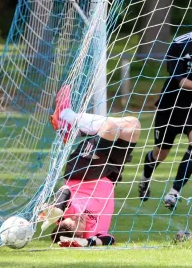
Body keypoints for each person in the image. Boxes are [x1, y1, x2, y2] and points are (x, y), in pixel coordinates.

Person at [138, 9, 192, 210]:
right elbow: (180, 80)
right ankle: (145, 177)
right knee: (161, 153)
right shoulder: (179, 44)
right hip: (170, 106)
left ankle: (174, 192)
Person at [40, 85, 140, 247]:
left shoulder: (64, 213)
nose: (79, 218)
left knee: (110, 128)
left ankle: (68, 118)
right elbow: (109, 239)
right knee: (132, 126)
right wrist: (87, 242)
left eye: (73, 220)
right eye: (80, 225)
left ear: (61, 222)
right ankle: (73, 127)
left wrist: (57, 210)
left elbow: (64, 191)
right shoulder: (92, 232)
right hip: (111, 173)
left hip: (84, 171)